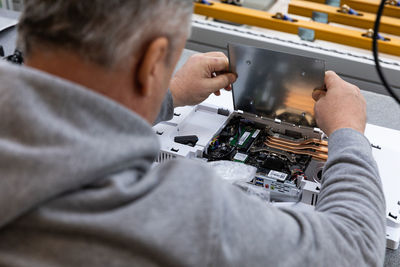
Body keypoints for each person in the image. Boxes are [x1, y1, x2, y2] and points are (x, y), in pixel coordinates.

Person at [0, 1, 386, 266]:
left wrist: (169, 93)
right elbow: (353, 248)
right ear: (153, 61)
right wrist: (348, 132)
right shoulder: (176, 214)